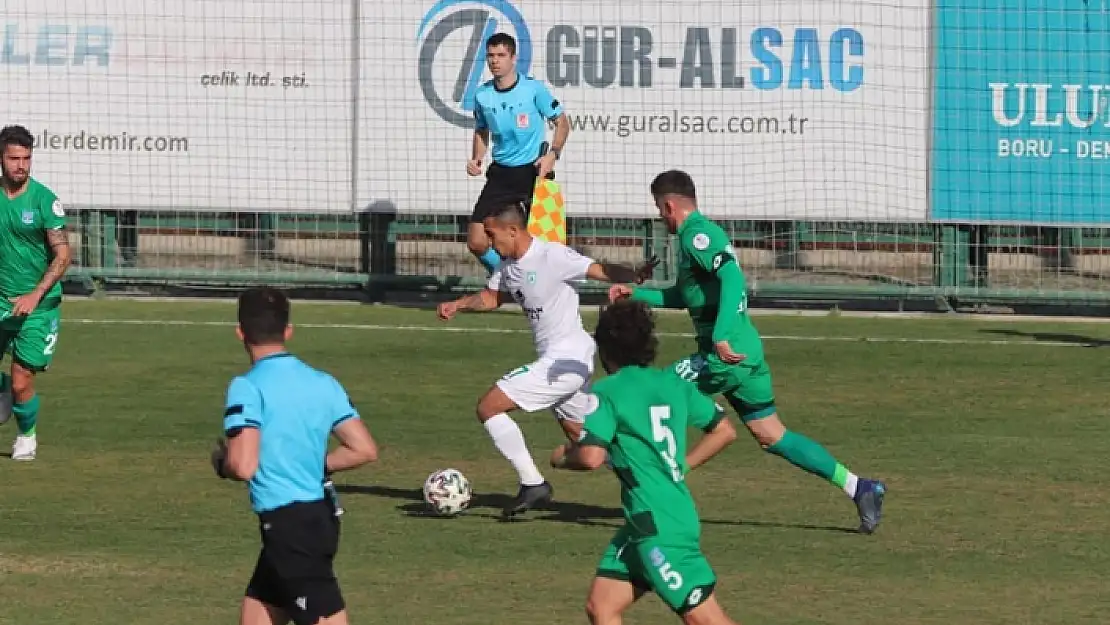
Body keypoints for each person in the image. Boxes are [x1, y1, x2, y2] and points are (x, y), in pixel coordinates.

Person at [609, 169, 887, 534]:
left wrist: (721, 335)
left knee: (657, 393)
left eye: (659, 210)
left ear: (669, 205)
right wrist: (636, 293)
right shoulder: (697, 238)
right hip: (744, 354)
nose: (661, 218)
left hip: (724, 355)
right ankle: (859, 487)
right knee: (772, 434)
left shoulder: (698, 235)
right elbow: (684, 296)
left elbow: (733, 279)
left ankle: (665, 485)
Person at [437, 202, 652, 519]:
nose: (490, 244)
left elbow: (600, 270)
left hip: (566, 360)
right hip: (562, 361)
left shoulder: (553, 256)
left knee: (489, 406)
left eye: (493, 236)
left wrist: (633, 275)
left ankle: (532, 483)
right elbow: (490, 298)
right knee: (586, 439)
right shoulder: (508, 265)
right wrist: (458, 304)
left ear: (513, 230)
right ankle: (650, 488)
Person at [550, 299, 743, 625]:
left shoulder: (608, 391)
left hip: (659, 529)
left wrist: (562, 458)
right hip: (649, 522)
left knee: (707, 621)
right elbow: (724, 431)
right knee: (602, 607)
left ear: (605, 350)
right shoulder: (673, 384)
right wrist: (683, 465)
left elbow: (591, 457)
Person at [211, 287, 379, 625]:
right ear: (288, 331)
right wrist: (315, 464)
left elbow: (243, 465)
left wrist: (223, 464)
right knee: (257, 615)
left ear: (240, 332)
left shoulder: (247, 386)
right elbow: (363, 449)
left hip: (289, 528)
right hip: (320, 517)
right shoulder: (322, 382)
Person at [466, 32, 571, 275]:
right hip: (501, 174)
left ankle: (545, 287)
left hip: (532, 172)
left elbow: (563, 122)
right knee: (477, 240)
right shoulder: (482, 95)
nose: (495, 61)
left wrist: (552, 154)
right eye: (490, 56)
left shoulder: (533, 90)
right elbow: (482, 131)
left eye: (501, 55)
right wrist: (477, 159)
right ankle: (508, 278)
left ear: (513, 58)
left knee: (540, 244)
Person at [0, 124, 72, 461]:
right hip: (1, 298)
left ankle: (26, 436)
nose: (21, 165)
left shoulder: (44, 201)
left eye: (27, 158)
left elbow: (63, 255)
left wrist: (34, 294)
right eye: (14, 158)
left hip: (38, 305)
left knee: (21, 381)